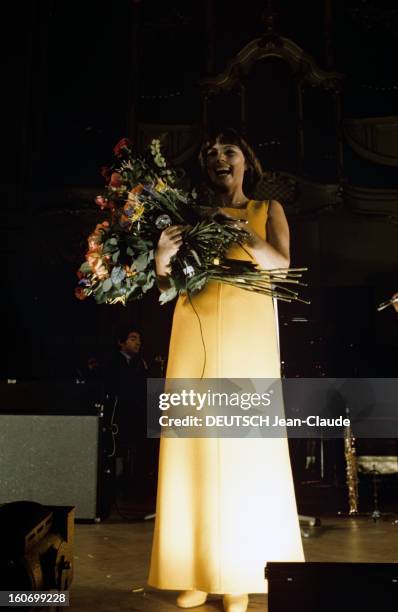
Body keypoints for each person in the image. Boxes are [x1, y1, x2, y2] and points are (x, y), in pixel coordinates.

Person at [148, 129, 304, 612]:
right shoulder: (186, 214)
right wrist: (161, 257)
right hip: (193, 335)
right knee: (190, 451)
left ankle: (237, 575)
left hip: (247, 341)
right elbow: (165, 280)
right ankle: (192, 573)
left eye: (228, 151)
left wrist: (237, 229)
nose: (219, 158)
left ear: (245, 162)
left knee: (243, 455)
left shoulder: (266, 210)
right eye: (211, 154)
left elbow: (280, 265)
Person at [106, 327, 148, 500]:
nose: (137, 342)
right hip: (119, 414)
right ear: (121, 342)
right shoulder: (113, 362)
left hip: (134, 414)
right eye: (132, 338)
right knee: (118, 452)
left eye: (139, 339)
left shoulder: (139, 363)